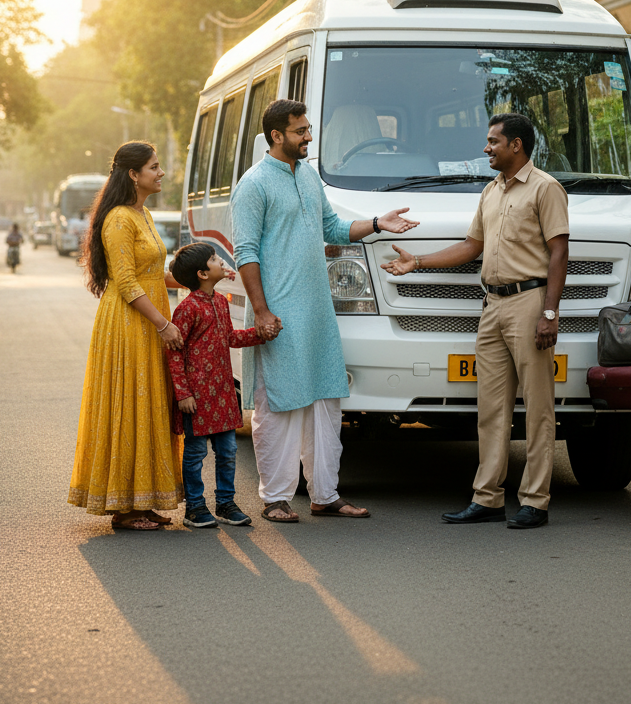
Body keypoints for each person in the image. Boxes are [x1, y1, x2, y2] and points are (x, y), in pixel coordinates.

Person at [230, 99, 418, 523]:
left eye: (308, 128)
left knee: (326, 402)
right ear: (276, 136)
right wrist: (261, 311)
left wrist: (376, 223)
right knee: (278, 403)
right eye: (300, 131)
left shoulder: (309, 176)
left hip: (317, 312)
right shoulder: (254, 184)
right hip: (277, 312)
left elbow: (331, 228)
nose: (309, 137)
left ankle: (325, 494)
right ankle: (276, 498)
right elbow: (245, 252)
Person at [382, 112, 569, 531]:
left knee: (538, 408)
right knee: (491, 409)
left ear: (516, 145)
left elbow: (559, 252)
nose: (486, 148)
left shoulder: (546, 188)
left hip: (529, 303)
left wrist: (550, 313)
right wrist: (418, 262)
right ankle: (488, 498)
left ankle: (535, 501)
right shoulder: (491, 191)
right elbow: (472, 246)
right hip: (493, 306)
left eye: (493, 142)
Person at [68, 140, 185, 531]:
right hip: (130, 324)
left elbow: (154, 272)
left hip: (151, 319)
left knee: (149, 403)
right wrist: (163, 324)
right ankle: (125, 507)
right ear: (133, 175)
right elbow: (126, 282)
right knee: (130, 403)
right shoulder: (119, 218)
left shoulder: (143, 215)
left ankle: (143, 499)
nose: (161, 172)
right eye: (154, 167)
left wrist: (202, 282)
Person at [166, 243, 266, 528]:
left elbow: (230, 338)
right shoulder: (187, 309)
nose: (219, 260)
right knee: (196, 453)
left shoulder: (221, 302)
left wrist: (260, 335)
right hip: (196, 398)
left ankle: (225, 503)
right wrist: (182, 394)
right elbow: (174, 353)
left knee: (228, 452)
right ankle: (195, 508)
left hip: (222, 395)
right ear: (202, 273)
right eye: (213, 259)